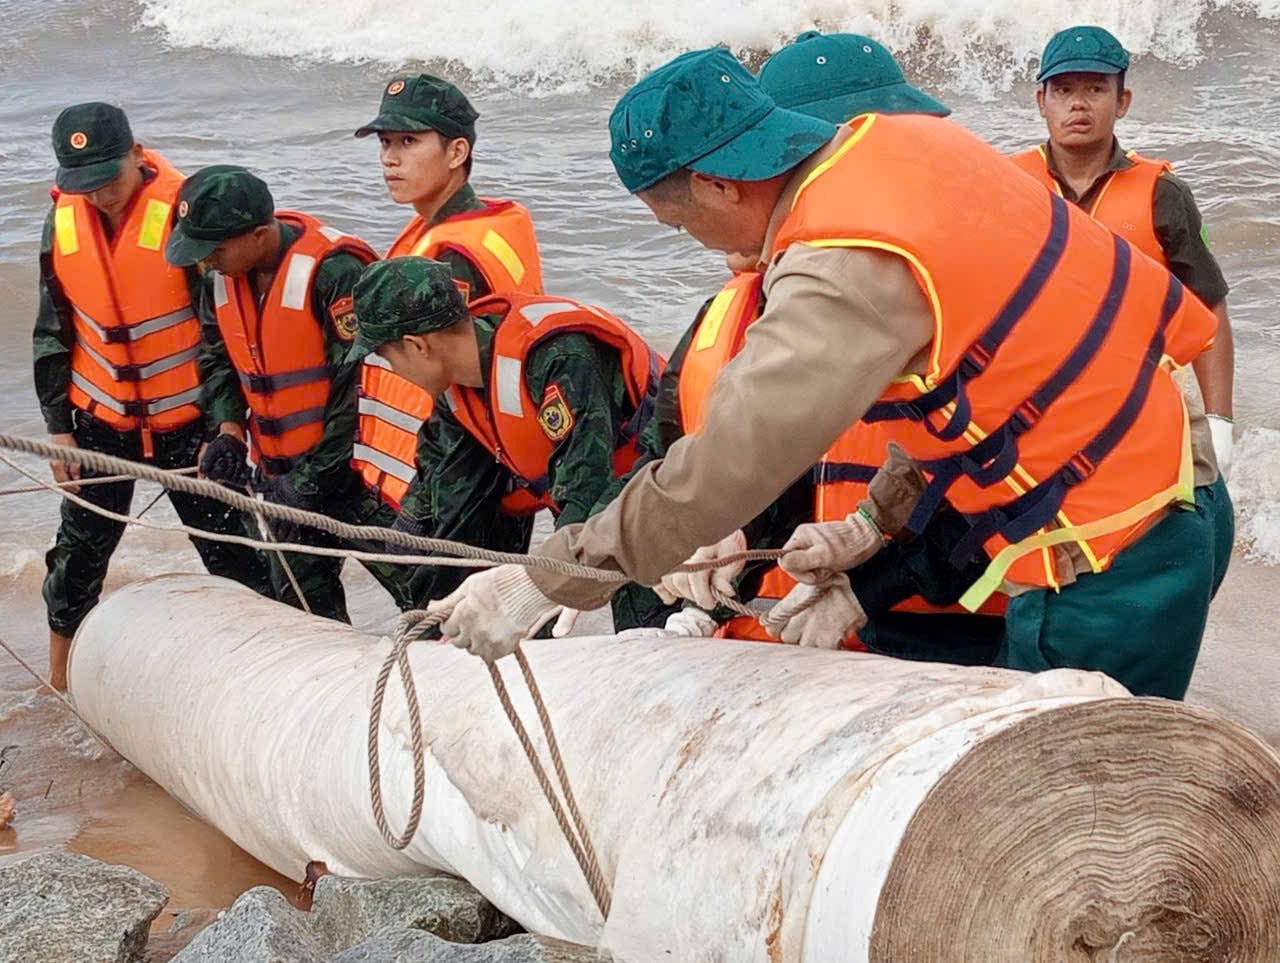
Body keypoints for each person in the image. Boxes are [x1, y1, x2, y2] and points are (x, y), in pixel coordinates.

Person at [428, 48, 1219, 701]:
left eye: (679, 222)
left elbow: (727, 463)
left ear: (716, 184)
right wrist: (869, 527)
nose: (694, 242)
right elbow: (987, 378)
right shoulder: (898, 146)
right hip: (1179, 482)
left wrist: (548, 578)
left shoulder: (837, 265)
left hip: (1116, 553)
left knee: (1073, 829)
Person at [645, 32, 1004, 665]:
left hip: (974, 601)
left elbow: (997, 467)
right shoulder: (743, 309)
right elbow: (770, 459)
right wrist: (717, 552)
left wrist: (868, 575)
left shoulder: (935, 271)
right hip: (829, 614)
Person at [33, 103, 270, 690]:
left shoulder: (182, 218)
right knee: (76, 562)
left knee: (235, 556)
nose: (100, 197)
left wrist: (227, 426)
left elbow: (220, 334)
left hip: (186, 423)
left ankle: (264, 681)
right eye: (84, 186)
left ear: (138, 155)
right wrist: (58, 427)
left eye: (108, 181)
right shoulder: (62, 220)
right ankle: (59, 682)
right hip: (98, 424)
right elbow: (51, 330)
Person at [1013, 24, 1235, 593]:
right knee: (1036, 565)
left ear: (1123, 99)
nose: (1078, 104)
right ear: (1041, 100)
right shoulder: (1006, 186)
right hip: (1027, 407)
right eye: (1063, 90)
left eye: (1095, 88)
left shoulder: (1162, 192)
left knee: (1160, 556)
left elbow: (1209, 311)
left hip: (1140, 406)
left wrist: (1221, 421)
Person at [346, 256, 667, 629]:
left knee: (648, 626)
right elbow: (439, 463)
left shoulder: (559, 359)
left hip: (650, 495)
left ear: (417, 346)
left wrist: (537, 588)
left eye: (387, 359)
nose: (393, 372)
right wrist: (412, 522)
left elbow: (587, 486)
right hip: (577, 501)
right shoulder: (459, 384)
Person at [164, 165, 411, 621]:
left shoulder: (335, 272)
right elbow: (218, 359)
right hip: (281, 482)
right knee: (302, 613)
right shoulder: (219, 277)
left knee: (427, 593)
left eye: (214, 249)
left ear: (260, 235)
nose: (205, 261)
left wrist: (311, 481)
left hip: (361, 483)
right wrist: (229, 430)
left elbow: (360, 391)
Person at [350, 74, 544, 516]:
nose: (389, 160)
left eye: (408, 142)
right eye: (385, 143)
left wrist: (423, 511)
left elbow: (462, 399)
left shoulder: (451, 259)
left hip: (455, 492)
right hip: (467, 477)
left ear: (457, 152)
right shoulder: (471, 224)